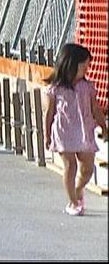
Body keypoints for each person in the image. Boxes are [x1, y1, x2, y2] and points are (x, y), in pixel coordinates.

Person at [43, 43, 107, 216]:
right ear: (71, 64)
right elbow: (50, 113)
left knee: (87, 168)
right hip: (64, 131)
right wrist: (47, 134)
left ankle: (78, 190)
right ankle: (72, 201)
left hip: (85, 131)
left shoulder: (87, 87)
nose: (87, 68)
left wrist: (103, 127)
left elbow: (96, 109)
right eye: (84, 65)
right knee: (70, 166)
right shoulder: (56, 89)